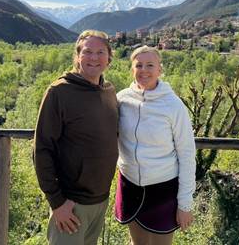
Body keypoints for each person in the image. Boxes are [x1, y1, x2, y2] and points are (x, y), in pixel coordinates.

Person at [34, 30, 119, 245]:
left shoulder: (109, 92)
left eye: (100, 52)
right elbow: (42, 149)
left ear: (109, 58)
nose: (94, 57)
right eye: (87, 51)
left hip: (100, 201)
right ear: (77, 56)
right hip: (70, 205)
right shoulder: (59, 92)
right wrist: (57, 202)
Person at [115, 45, 196, 245]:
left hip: (163, 189)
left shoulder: (173, 106)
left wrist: (185, 204)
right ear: (132, 69)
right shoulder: (121, 99)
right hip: (130, 185)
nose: (144, 70)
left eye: (150, 65)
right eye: (139, 65)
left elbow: (186, 155)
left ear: (160, 69)